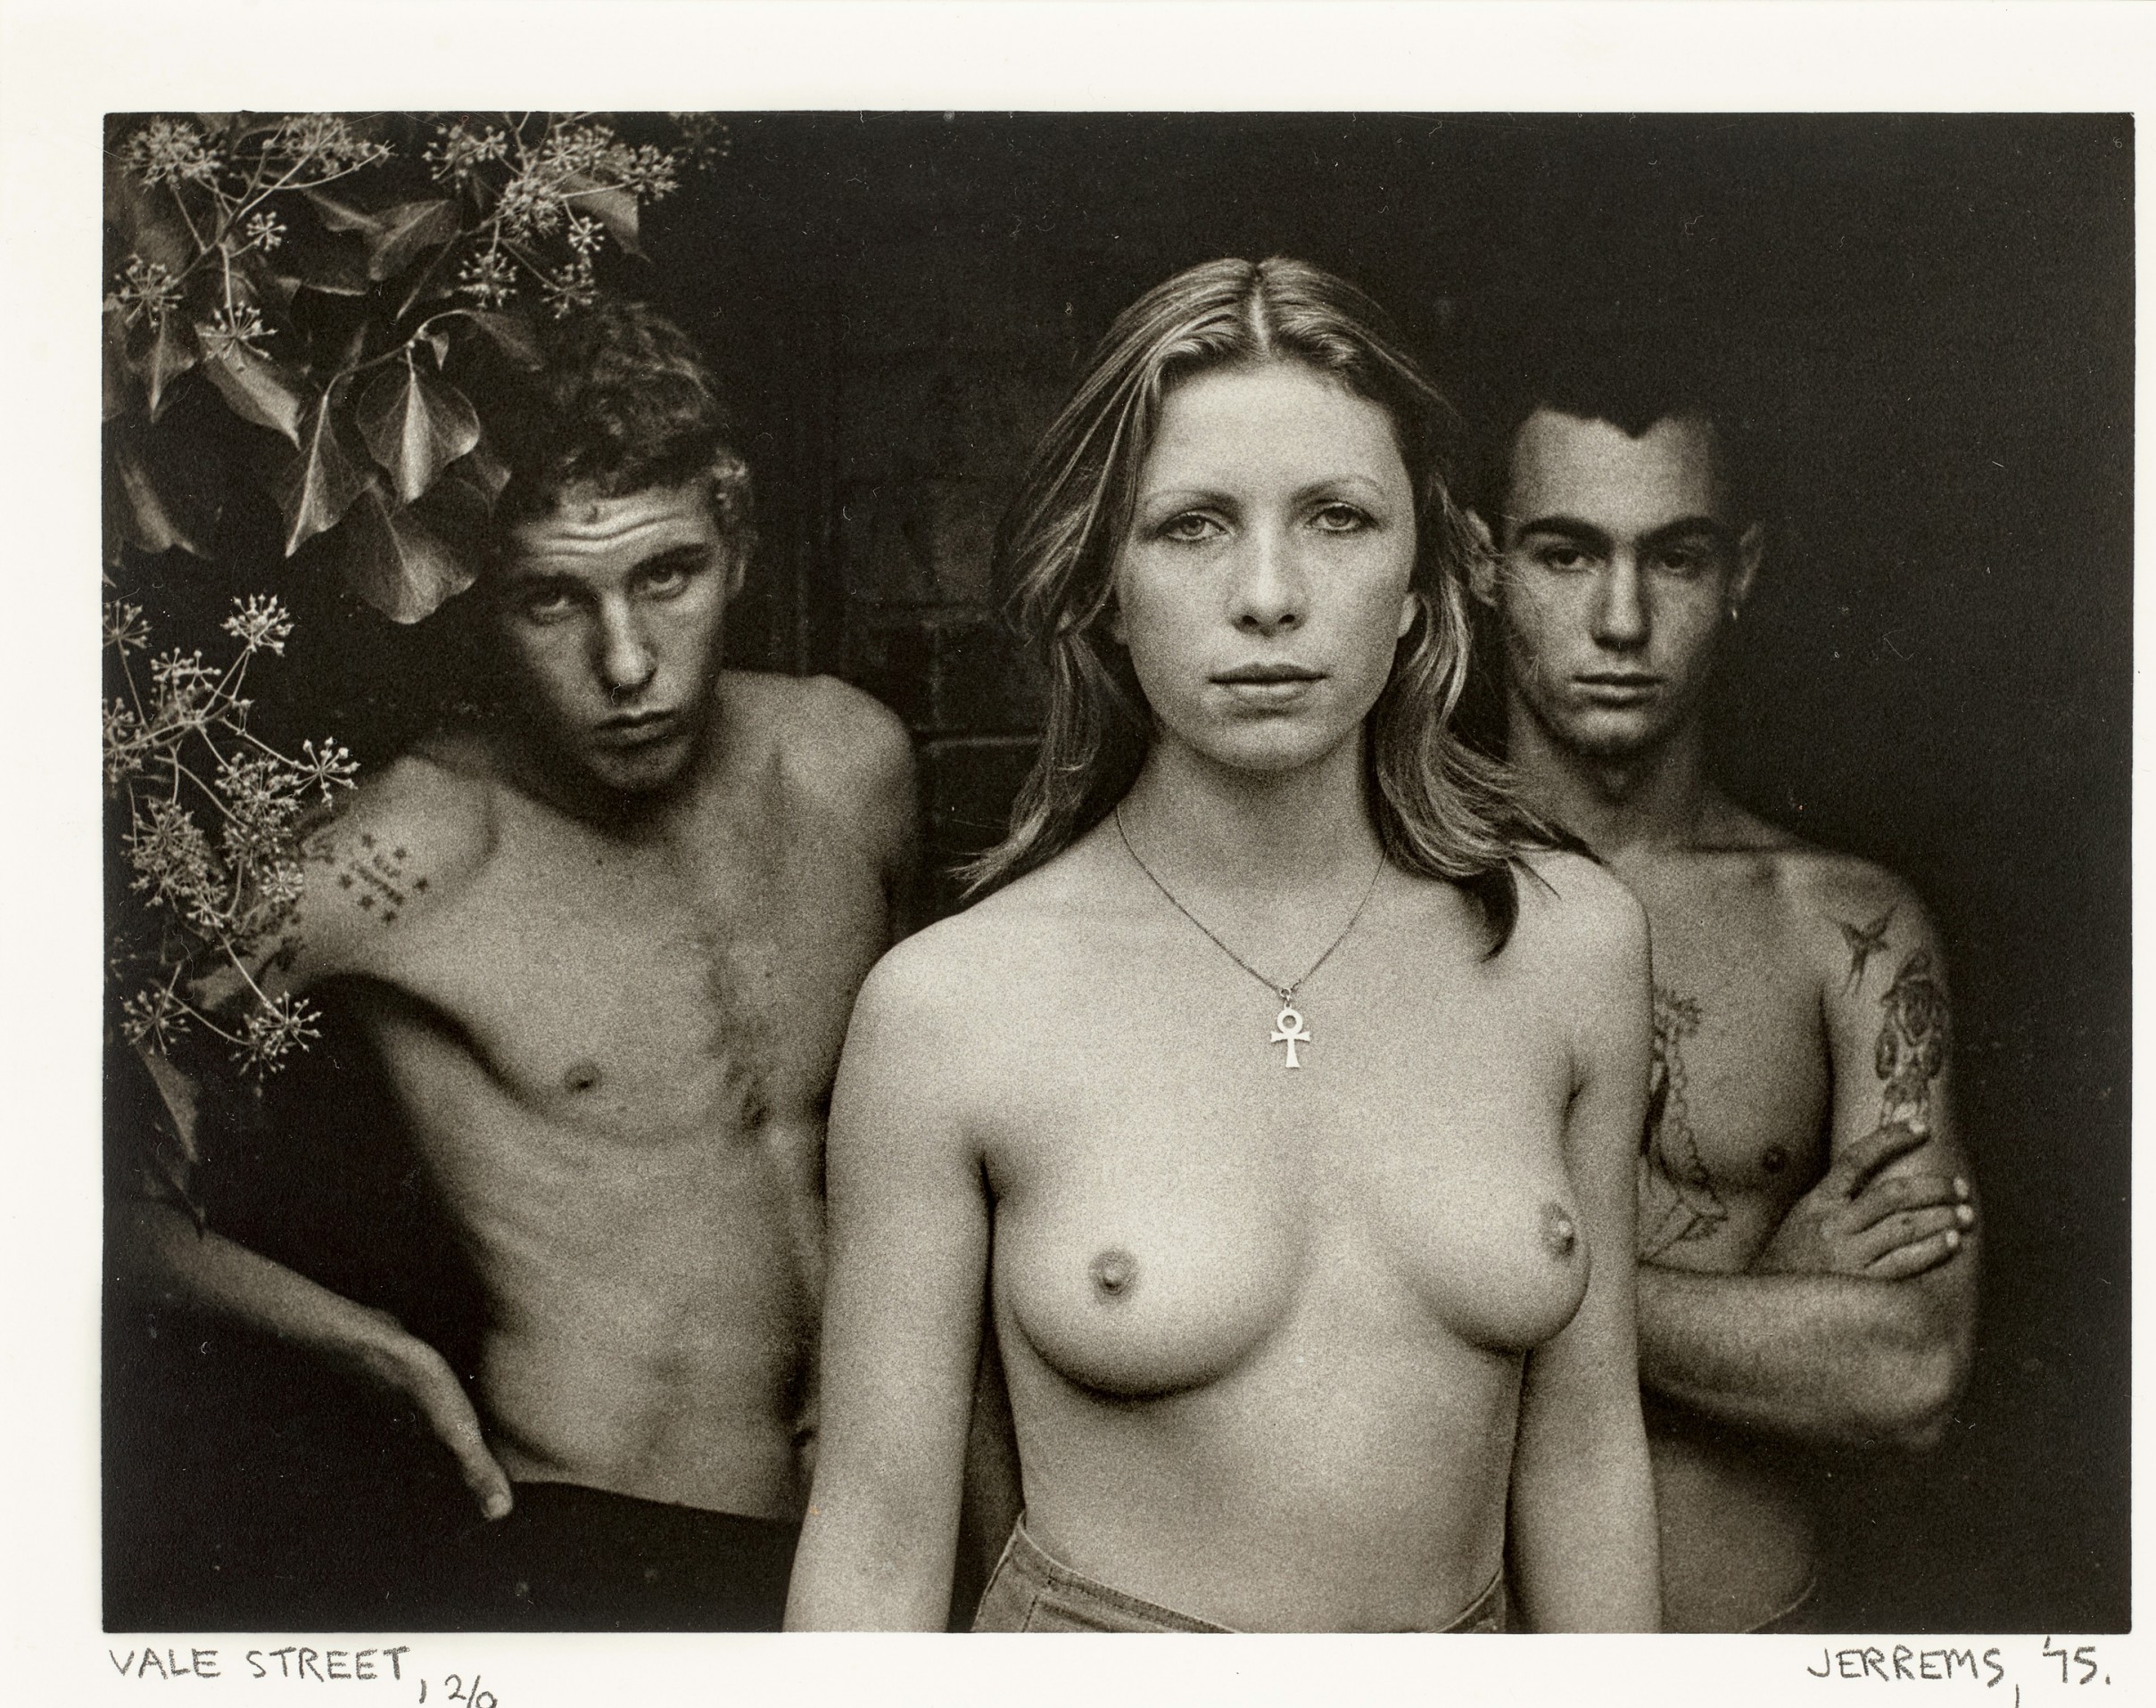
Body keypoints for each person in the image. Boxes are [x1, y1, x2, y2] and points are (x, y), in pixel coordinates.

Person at [786, 257, 1660, 1634]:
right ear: (1101, 579)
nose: (1269, 595)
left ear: (1426, 575)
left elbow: (1588, 1461)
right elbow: (879, 1545)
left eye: (1337, 519)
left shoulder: (1571, 951)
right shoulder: (952, 1008)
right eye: (1193, 525)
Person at [114, 303, 917, 1629]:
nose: (626, 663)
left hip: (876, 1538)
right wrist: (373, 1347)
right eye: (553, 597)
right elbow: (61, 1154)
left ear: (741, 551)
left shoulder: (850, 768)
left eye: (669, 575)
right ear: (480, 604)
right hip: (601, 1543)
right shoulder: (407, 851)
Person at [1474, 357, 1979, 1631]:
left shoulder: (1845, 928)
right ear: (1482, 561)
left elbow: (1911, 1369)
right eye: (1566, 554)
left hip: (1757, 1656)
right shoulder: (1395, 901)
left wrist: (1508, 1293)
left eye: (1677, 558)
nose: (1623, 620)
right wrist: (1767, 1285)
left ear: (1740, 572)